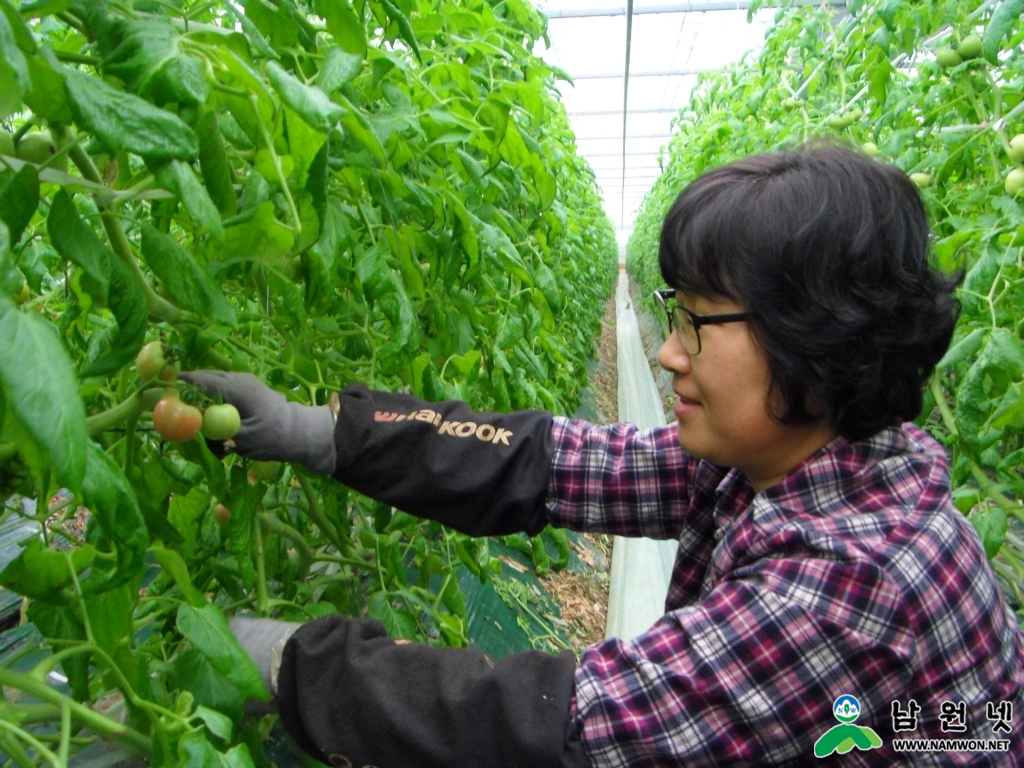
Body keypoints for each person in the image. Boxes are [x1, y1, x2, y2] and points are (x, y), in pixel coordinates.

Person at [183, 145, 1024, 766]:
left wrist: (292, 664)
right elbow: (556, 461)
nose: (668, 352)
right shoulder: (804, 454)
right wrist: (320, 431)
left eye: (699, 321)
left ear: (814, 339)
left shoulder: (851, 585)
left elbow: (574, 727)